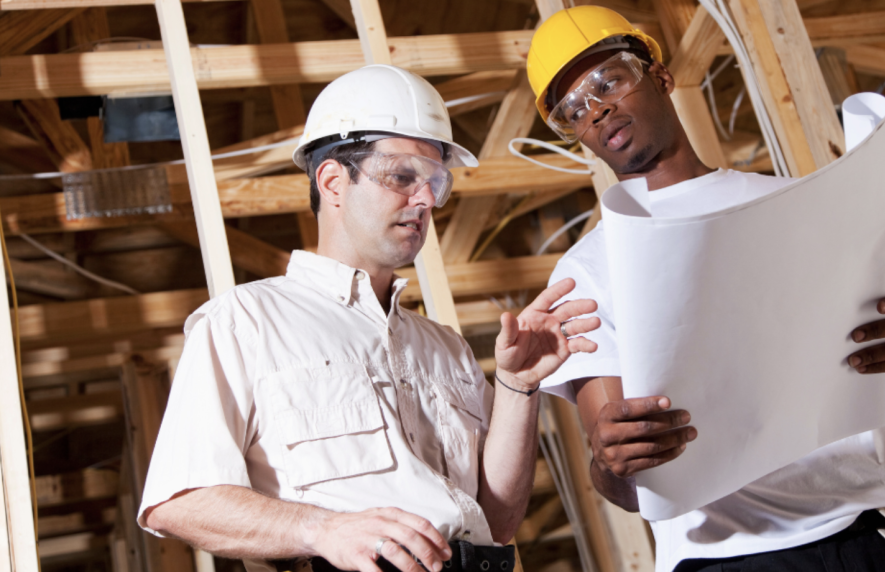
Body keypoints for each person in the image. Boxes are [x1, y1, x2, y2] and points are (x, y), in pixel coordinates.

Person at [527, 6, 885, 572]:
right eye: (574, 111)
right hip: (732, 557)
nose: (597, 109)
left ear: (661, 76)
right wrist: (611, 462)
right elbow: (625, 476)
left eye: (609, 82)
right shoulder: (589, 269)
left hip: (877, 527)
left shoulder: (795, 205)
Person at [138, 65, 599, 572]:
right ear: (333, 181)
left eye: (434, 182)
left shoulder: (446, 348)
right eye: (402, 177)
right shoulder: (245, 321)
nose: (424, 200)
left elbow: (498, 522)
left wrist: (515, 386)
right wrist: (320, 529)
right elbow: (179, 501)